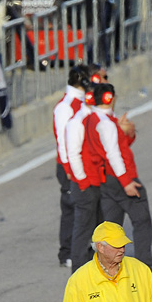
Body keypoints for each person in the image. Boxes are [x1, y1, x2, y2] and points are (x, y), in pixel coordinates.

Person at [83, 83, 152, 283]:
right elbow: (113, 153)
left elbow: (117, 145)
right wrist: (126, 182)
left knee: (111, 227)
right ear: (110, 98)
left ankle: (106, 270)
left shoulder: (93, 120)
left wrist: (124, 131)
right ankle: (145, 271)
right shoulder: (107, 124)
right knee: (142, 221)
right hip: (120, 178)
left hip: (106, 181)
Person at [52, 65, 90, 268]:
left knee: (83, 207)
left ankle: (82, 247)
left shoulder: (81, 102)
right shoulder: (65, 106)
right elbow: (62, 139)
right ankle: (66, 252)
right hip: (68, 165)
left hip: (79, 163)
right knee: (70, 207)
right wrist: (68, 168)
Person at [66, 84, 104, 271]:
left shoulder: (96, 118)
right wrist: (83, 182)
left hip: (99, 182)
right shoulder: (78, 122)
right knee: (83, 230)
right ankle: (79, 272)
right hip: (86, 184)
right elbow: (73, 153)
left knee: (100, 228)